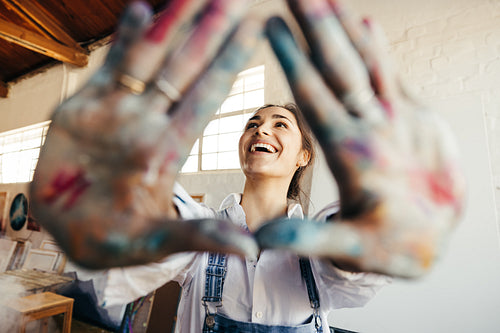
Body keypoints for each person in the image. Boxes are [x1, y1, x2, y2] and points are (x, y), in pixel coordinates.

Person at [29, 0, 465, 331]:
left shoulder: (323, 248)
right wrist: (119, 211)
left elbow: (350, 274)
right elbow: (153, 248)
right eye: (252, 124)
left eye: (280, 125)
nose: (261, 131)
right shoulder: (198, 229)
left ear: (303, 157)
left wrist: (378, 230)